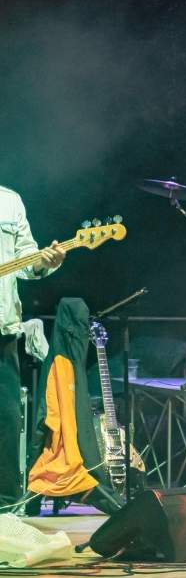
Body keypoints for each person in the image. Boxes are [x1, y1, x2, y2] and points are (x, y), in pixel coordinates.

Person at [0, 185, 65, 509]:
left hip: (2, 333)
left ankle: (7, 511)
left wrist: (45, 262)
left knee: (7, 423)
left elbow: (27, 262)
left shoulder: (10, 202)